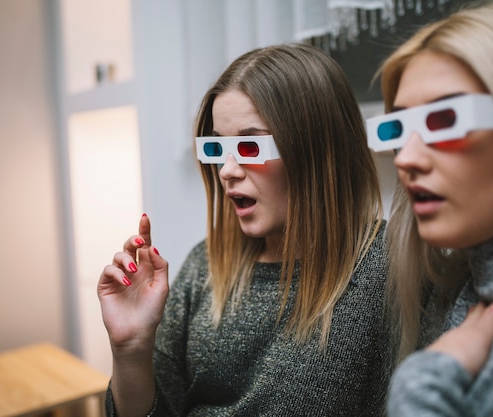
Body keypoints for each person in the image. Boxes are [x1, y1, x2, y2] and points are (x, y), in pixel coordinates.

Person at [98, 43, 390, 416]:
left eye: (250, 145)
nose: (227, 170)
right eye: (218, 147)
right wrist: (131, 350)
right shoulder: (205, 265)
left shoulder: (386, 268)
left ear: (318, 147)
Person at [365, 1, 493, 415]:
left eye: (445, 119)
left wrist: (421, 387)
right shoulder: (462, 287)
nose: (405, 158)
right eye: (399, 128)